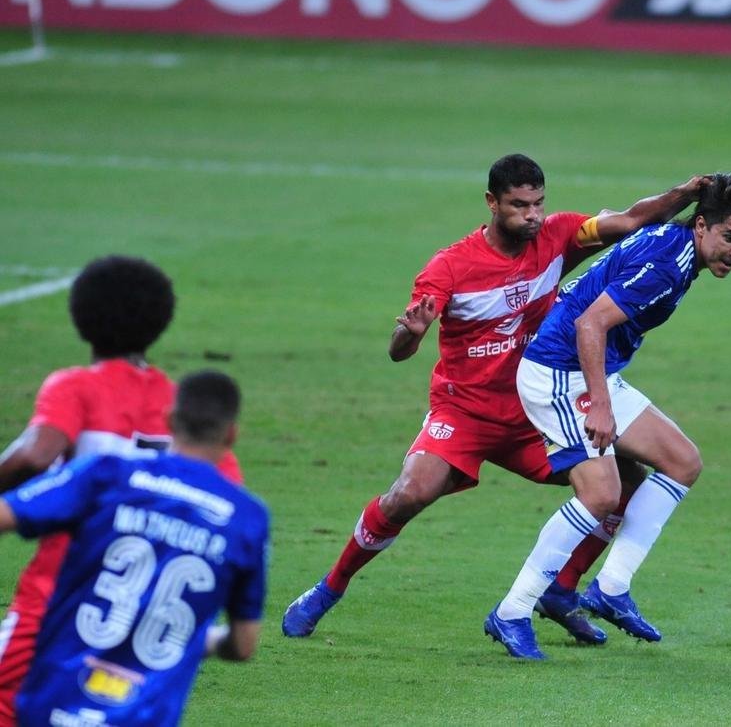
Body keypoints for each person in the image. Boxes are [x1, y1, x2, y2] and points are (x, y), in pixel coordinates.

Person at [282, 154, 708, 645]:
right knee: (409, 494)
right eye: (519, 205)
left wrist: (686, 192)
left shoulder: (559, 235)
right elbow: (399, 351)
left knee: (625, 478)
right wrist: (412, 335)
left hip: (536, 412)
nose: (531, 215)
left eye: (538, 204)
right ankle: (328, 588)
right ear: (492, 203)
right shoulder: (451, 265)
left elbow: (633, 219)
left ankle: (563, 590)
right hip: (465, 413)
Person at [485, 173, 731, 659]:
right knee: (602, 494)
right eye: (729, 237)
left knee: (682, 462)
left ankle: (610, 587)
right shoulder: (668, 265)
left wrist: (681, 191)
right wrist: (598, 403)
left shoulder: (678, 243)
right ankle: (512, 611)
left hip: (593, 368)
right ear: (702, 226)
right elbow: (589, 323)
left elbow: (642, 214)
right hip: (558, 372)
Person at [0, 255, 244, 724]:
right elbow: (226, 506)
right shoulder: (183, 412)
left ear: (80, 319)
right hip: (141, 628)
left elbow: (35, 453)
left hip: (54, 608)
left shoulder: (77, 388)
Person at [0, 370, 269, 726]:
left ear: (170, 420)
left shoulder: (109, 474)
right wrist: (201, 641)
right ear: (232, 434)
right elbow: (244, 644)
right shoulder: (247, 518)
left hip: (53, 704)